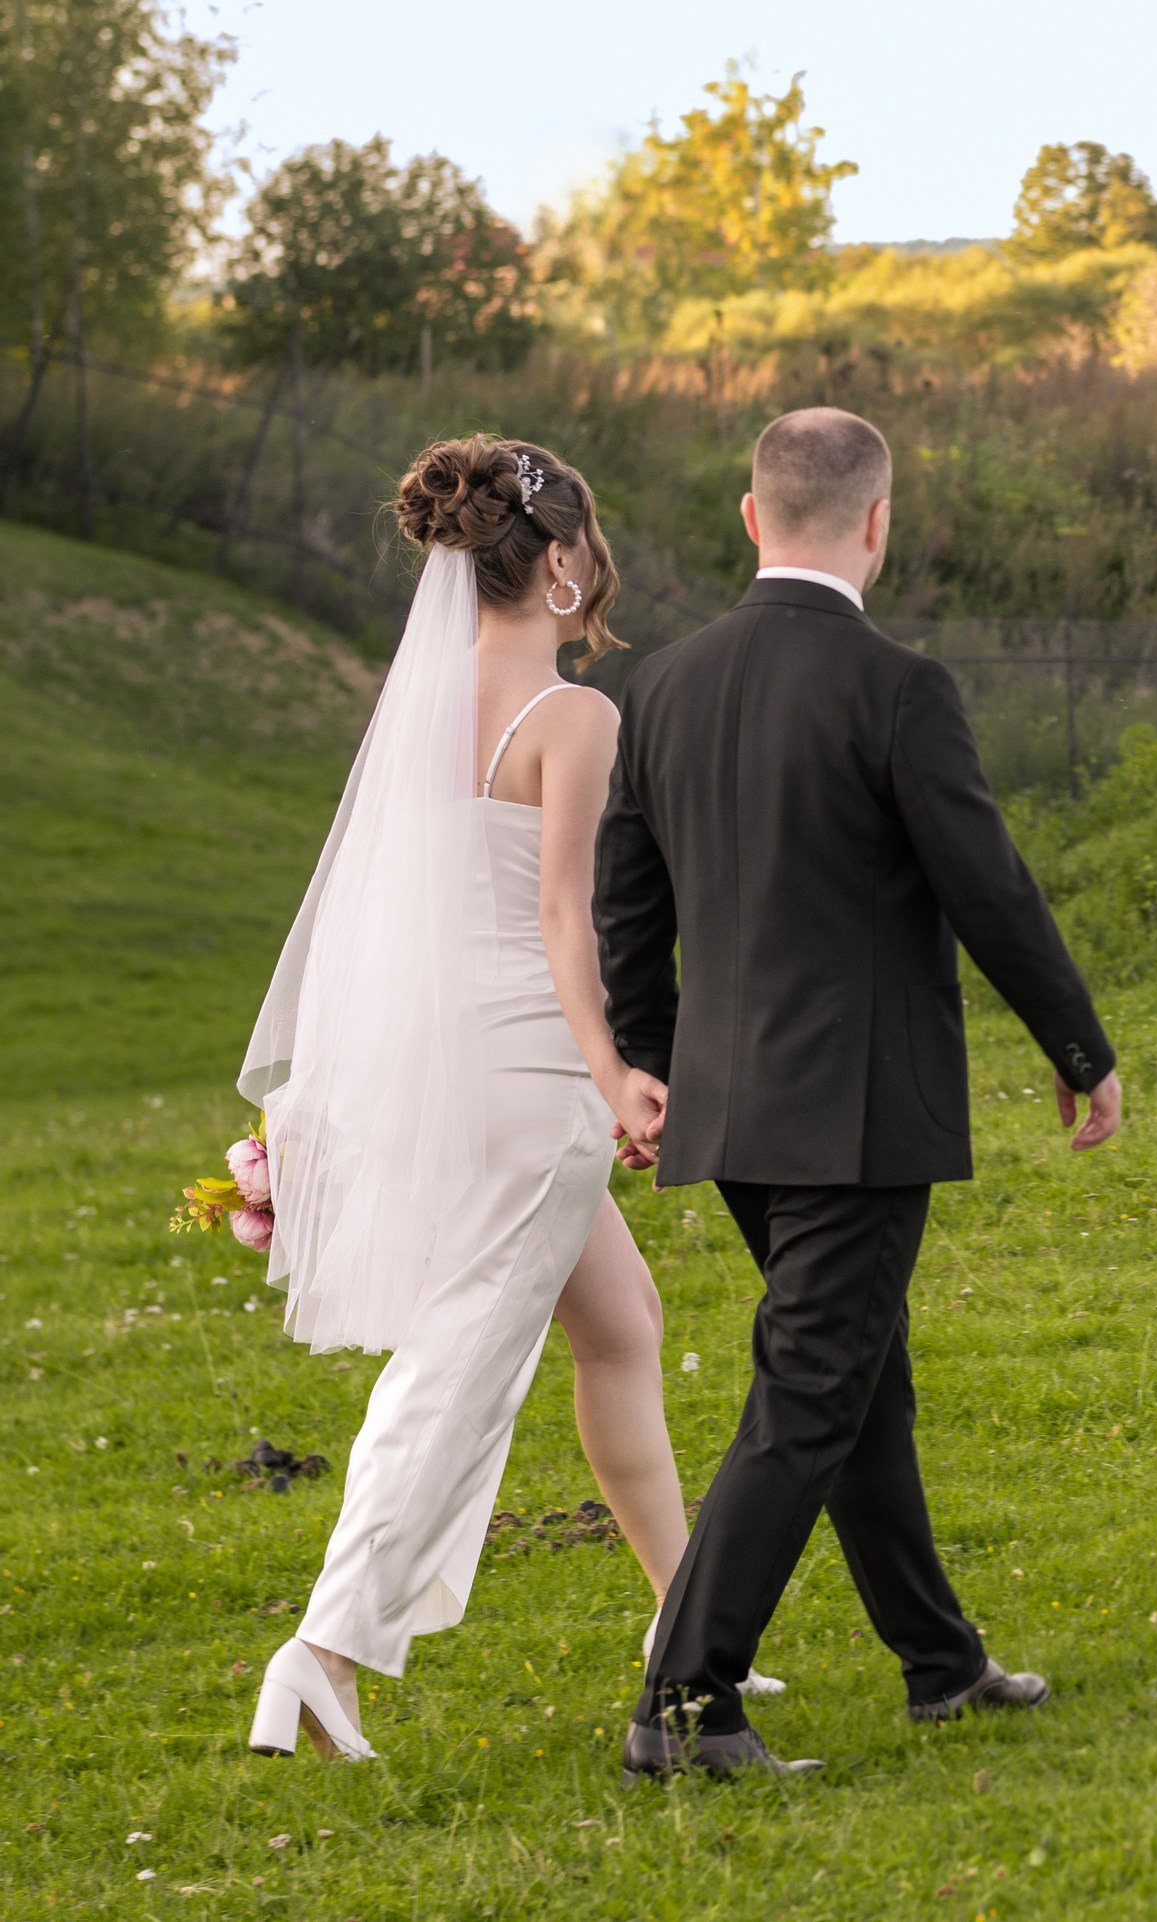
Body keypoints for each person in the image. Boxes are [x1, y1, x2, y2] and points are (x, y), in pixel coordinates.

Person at [598, 406, 1122, 1781]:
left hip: (727, 1105)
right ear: (879, 523)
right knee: (813, 1390)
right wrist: (1080, 1048)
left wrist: (646, 1055)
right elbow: (990, 890)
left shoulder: (657, 686)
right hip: (858, 1109)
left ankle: (941, 1663)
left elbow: (626, 901)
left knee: (856, 1386)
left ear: (753, 513)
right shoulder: (897, 689)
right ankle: (686, 1702)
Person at [241, 436, 775, 1762]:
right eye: (586, 549)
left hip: (460, 1075)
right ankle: (326, 1649)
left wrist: (329, 1091)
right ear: (554, 563)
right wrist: (611, 1072)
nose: (596, 571)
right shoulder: (575, 717)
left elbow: (378, 924)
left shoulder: (417, 713)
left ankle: (683, 1620)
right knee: (463, 1364)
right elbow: (562, 922)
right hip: (533, 1080)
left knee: (625, 1321)